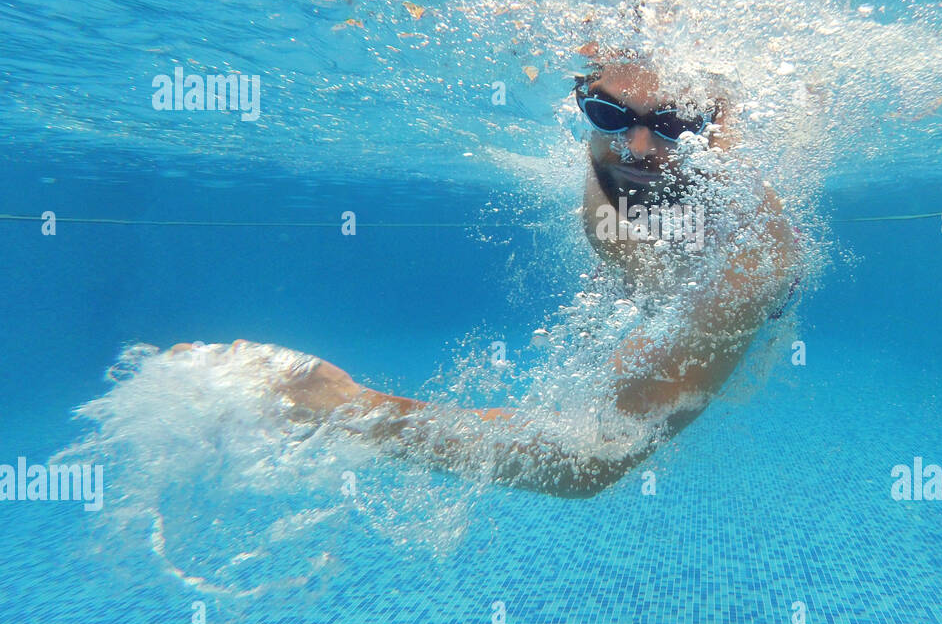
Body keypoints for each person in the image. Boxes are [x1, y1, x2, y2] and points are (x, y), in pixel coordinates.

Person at [168, 49, 799, 496]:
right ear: (584, 103)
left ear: (710, 130)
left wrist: (347, 406)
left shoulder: (750, 256)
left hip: (732, 278)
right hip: (661, 256)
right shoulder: (612, 173)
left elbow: (592, 460)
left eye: (672, 124)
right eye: (608, 114)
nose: (636, 148)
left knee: (633, 391)